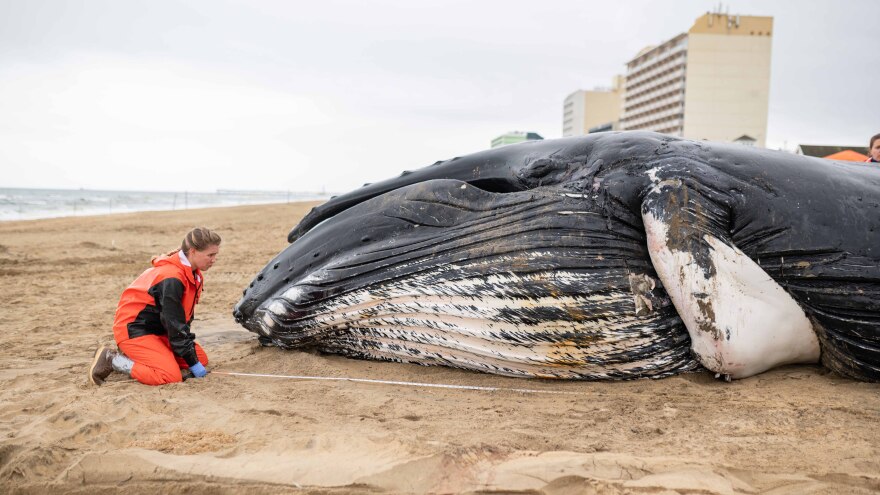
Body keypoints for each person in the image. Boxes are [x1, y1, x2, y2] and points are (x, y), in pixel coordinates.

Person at [89, 227, 221, 386]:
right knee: (170, 376)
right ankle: (112, 359)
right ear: (192, 251)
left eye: (216, 255)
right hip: (135, 331)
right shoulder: (172, 277)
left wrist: (192, 359)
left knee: (201, 359)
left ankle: (143, 357)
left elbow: (179, 323)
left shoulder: (193, 273)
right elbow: (174, 324)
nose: (214, 259)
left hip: (160, 330)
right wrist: (191, 362)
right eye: (210, 255)